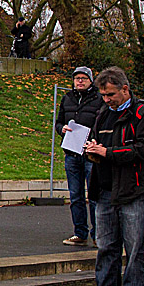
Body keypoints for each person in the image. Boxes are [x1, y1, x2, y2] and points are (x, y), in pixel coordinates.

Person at [82, 68, 144, 286]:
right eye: (103, 94)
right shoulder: (103, 114)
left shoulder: (143, 114)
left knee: (136, 248)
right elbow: (97, 142)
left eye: (111, 94)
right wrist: (91, 149)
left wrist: (109, 153)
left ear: (125, 89)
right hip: (105, 190)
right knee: (105, 246)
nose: (106, 99)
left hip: (135, 190)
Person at [54, 66, 102, 246]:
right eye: (77, 78)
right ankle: (80, 232)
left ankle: (98, 234)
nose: (80, 81)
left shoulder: (99, 99)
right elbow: (59, 122)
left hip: (91, 153)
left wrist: (95, 141)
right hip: (71, 153)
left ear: (91, 80)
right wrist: (62, 129)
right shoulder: (67, 98)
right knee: (76, 195)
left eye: (83, 78)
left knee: (95, 195)